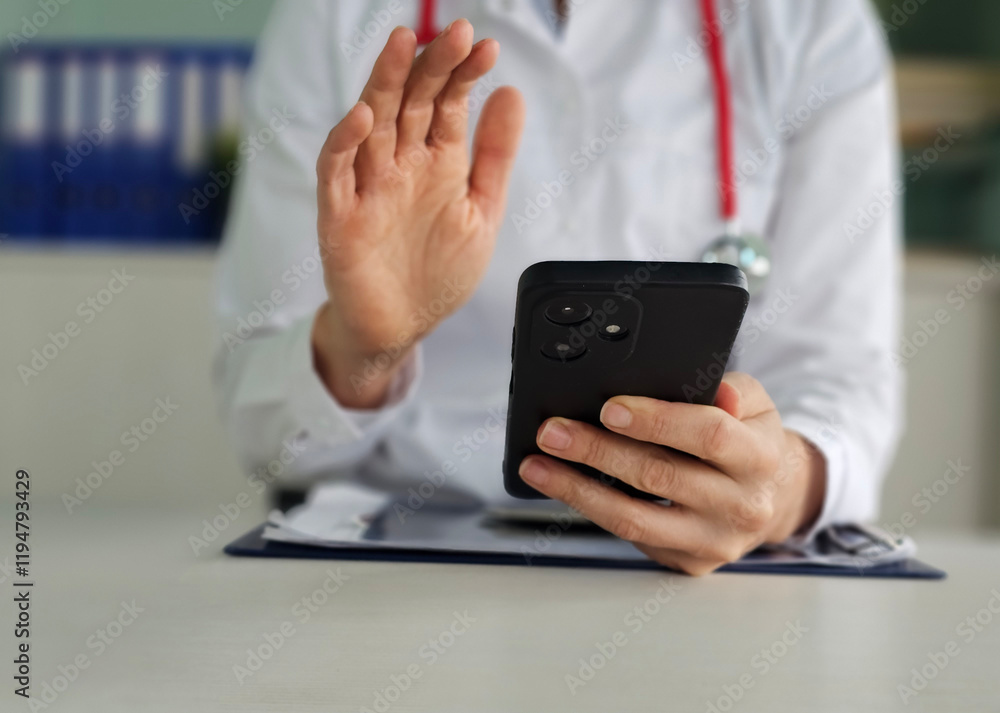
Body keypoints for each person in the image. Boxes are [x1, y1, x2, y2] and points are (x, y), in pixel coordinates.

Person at [213, 0, 902, 575]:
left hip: (698, 572)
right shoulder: (330, 17)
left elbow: (840, 382)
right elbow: (266, 432)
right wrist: (361, 345)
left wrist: (777, 488)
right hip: (392, 570)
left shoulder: (812, 22)